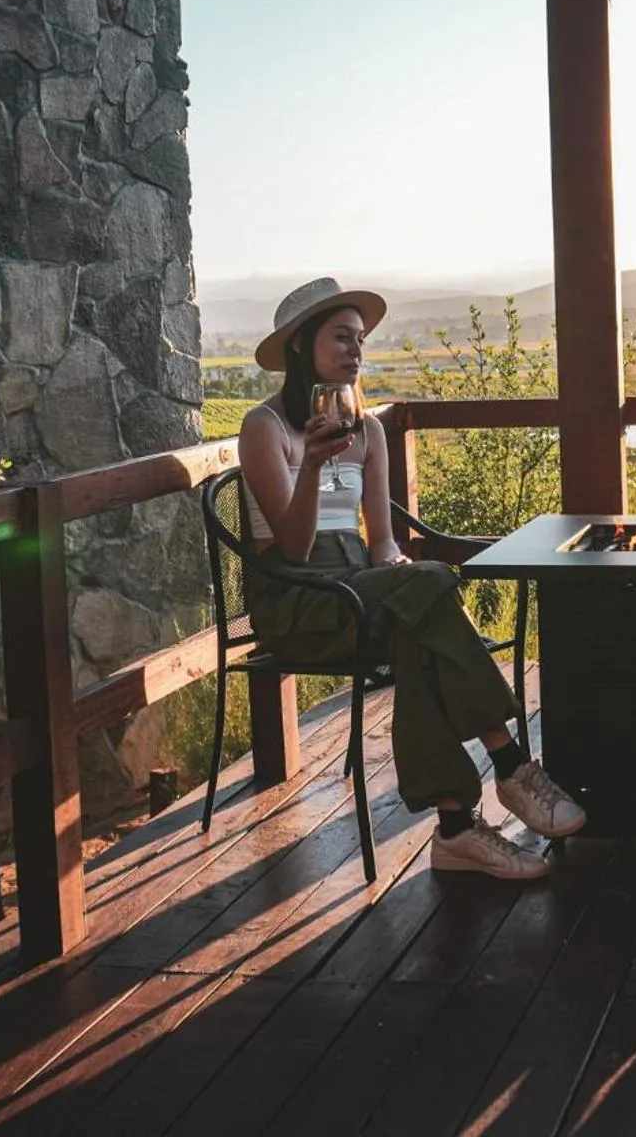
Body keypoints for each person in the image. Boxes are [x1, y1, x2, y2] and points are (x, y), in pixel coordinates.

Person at [238, 278, 586, 881]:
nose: (356, 351)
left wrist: (398, 566)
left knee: (417, 620)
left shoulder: (369, 430)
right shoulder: (265, 428)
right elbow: (290, 551)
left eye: (361, 340)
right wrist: (314, 464)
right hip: (299, 600)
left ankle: (455, 830)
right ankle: (509, 763)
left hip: (360, 587)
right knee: (424, 592)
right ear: (300, 346)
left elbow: (381, 545)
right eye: (342, 337)